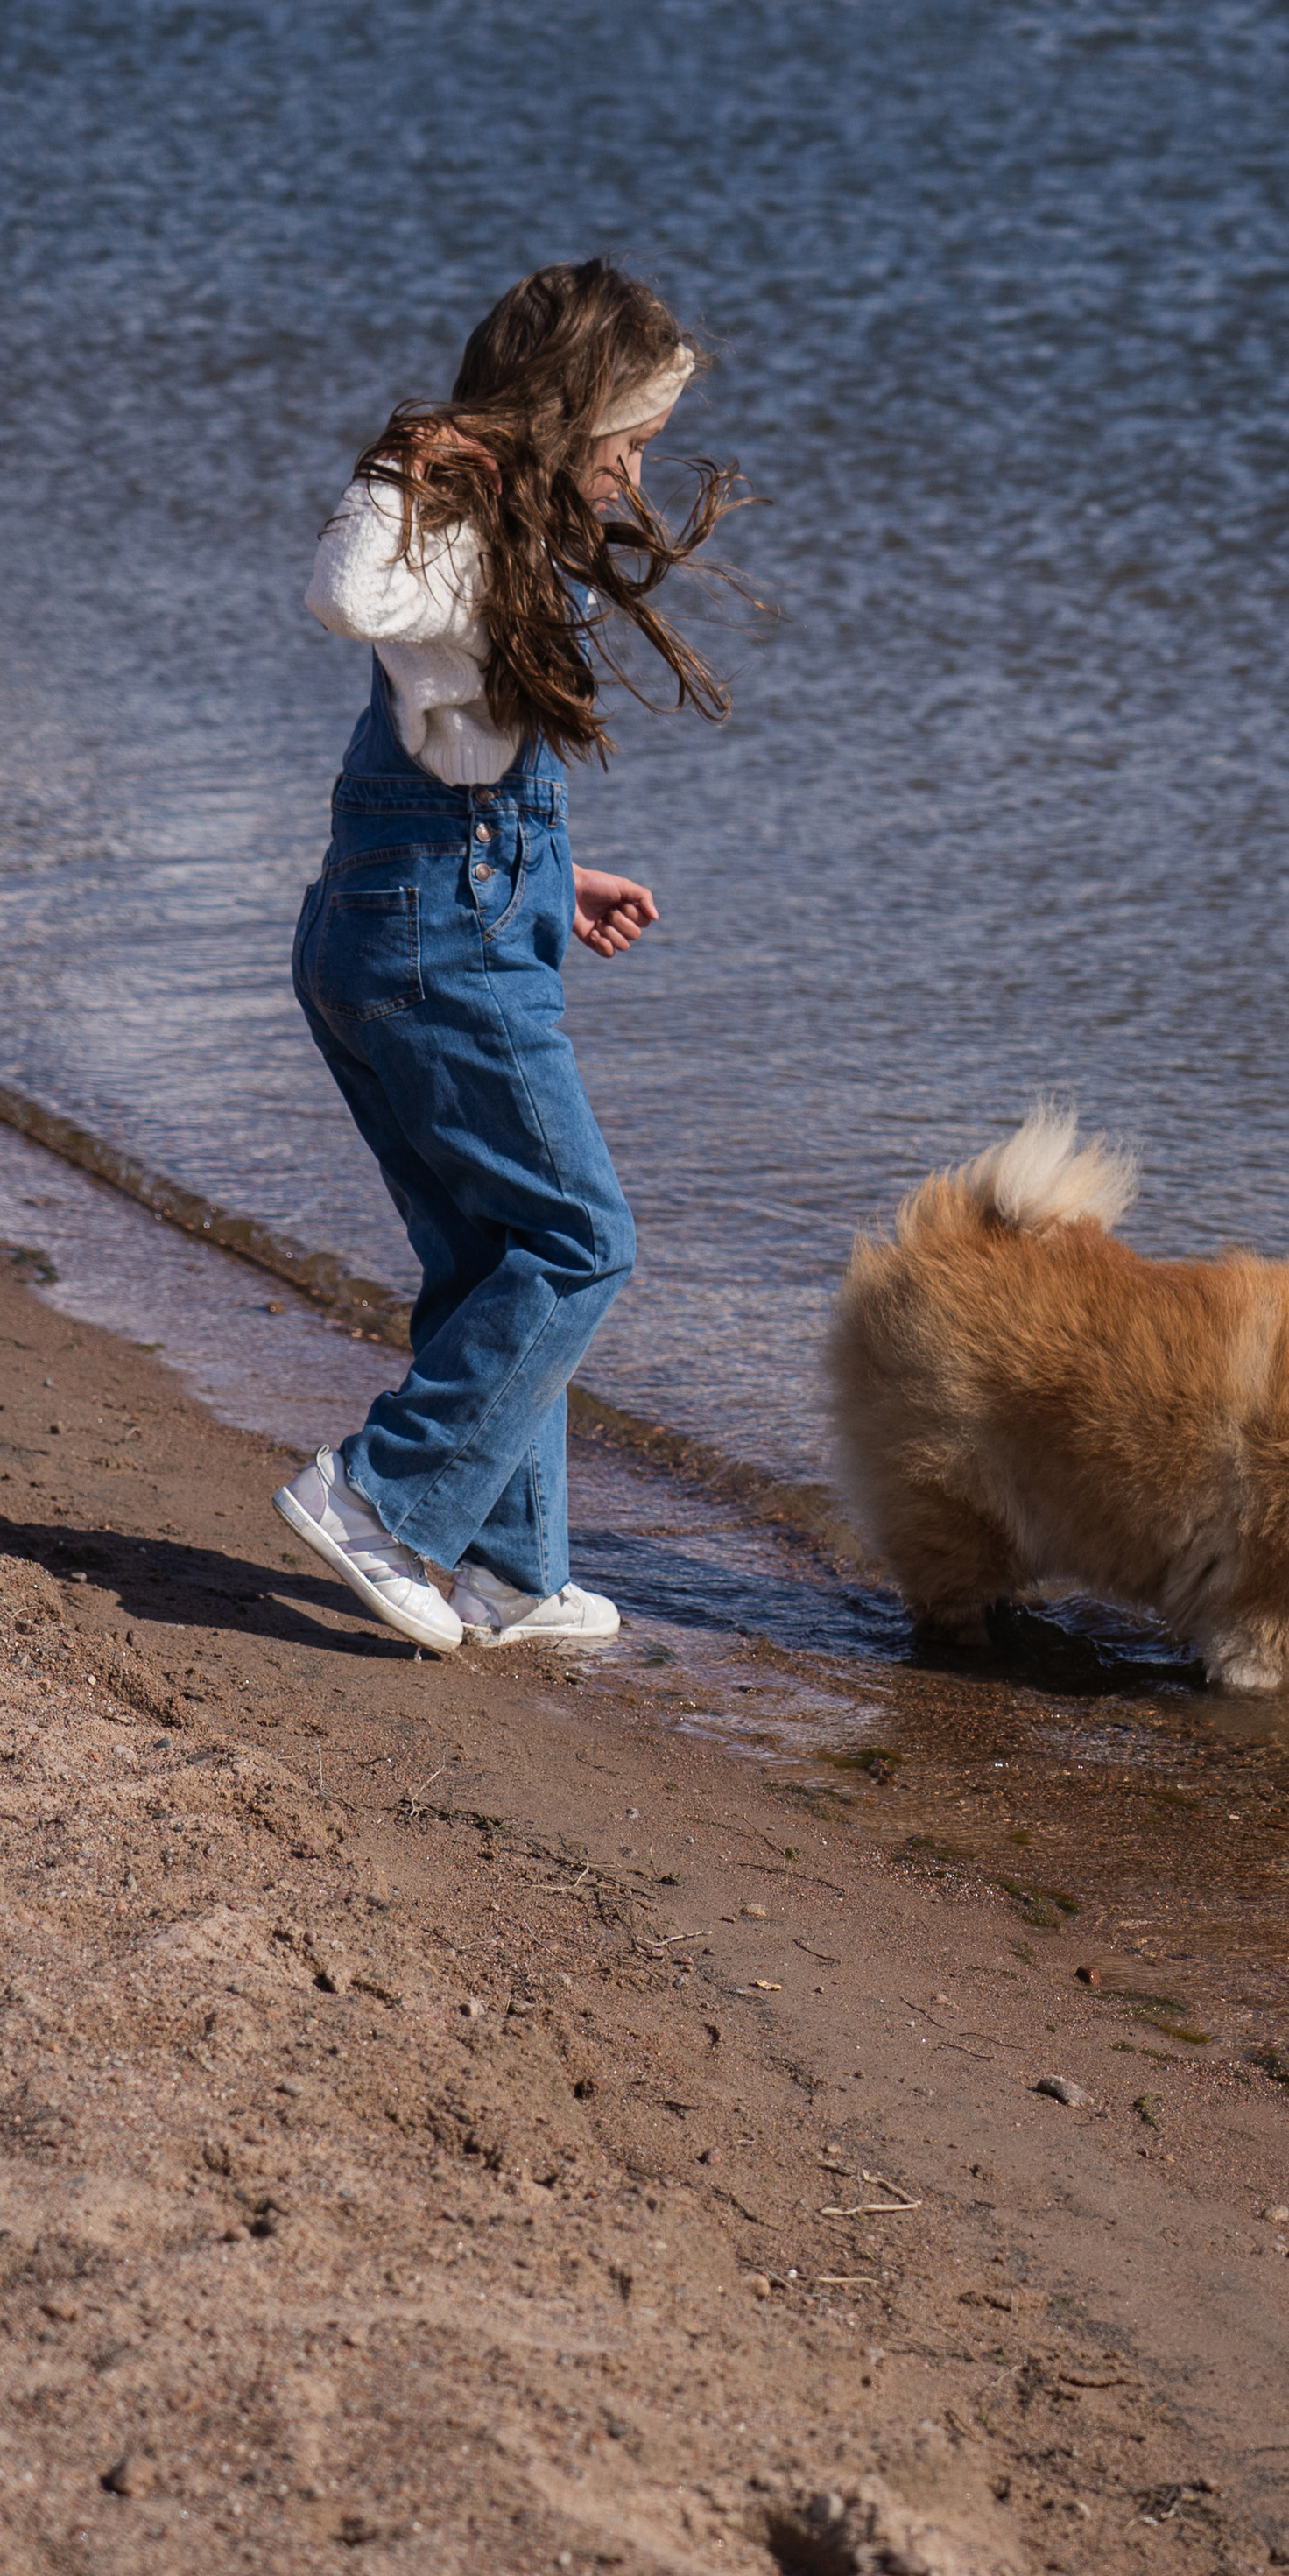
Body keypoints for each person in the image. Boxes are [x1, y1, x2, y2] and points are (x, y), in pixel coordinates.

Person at [276, 257, 743, 1654]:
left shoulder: (504, 543)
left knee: (491, 1252)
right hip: (440, 940)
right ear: (564, 413)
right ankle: (376, 1496)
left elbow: (456, 750)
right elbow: (344, 594)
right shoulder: (450, 522)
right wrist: (419, 455)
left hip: (428, 916)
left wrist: (557, 872)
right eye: (631, 440)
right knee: (583, 1239)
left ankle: (507, 1566)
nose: (637, 472)